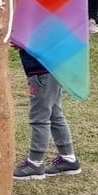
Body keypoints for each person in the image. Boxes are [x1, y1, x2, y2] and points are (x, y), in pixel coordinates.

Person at [12, 48, 81, 180]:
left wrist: (23, 41)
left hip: (41, 70)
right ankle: (68, 158)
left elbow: (37, 37)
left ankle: (35, 163)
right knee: (55, 114)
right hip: (53, 68)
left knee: (39, 118)